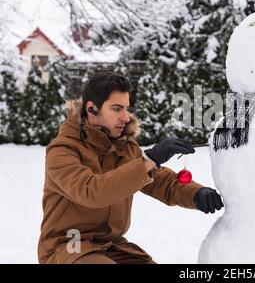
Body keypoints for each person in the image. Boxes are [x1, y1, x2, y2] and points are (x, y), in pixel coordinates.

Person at [38, 71, 223, 264]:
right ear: (92, 109)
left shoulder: (123, 147)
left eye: (126, 108)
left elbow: (161, 181)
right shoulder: (62, 151)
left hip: (111, 246)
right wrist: (149, 160)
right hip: (68, 245)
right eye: (117, 109)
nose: (126, 117)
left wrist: (197, 194)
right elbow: (91, 191)